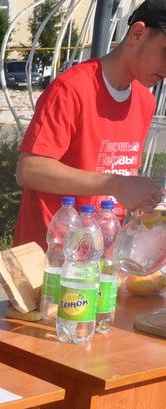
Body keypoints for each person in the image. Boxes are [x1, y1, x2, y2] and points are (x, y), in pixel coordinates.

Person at [13, 0, 166, 249]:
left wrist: (143, 200)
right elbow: (29, 169)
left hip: (99, 261)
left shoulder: (144, 101)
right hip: (49, 262)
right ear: (138, 33)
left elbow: (119, 168)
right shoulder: (71, 89)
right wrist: (115, 184)